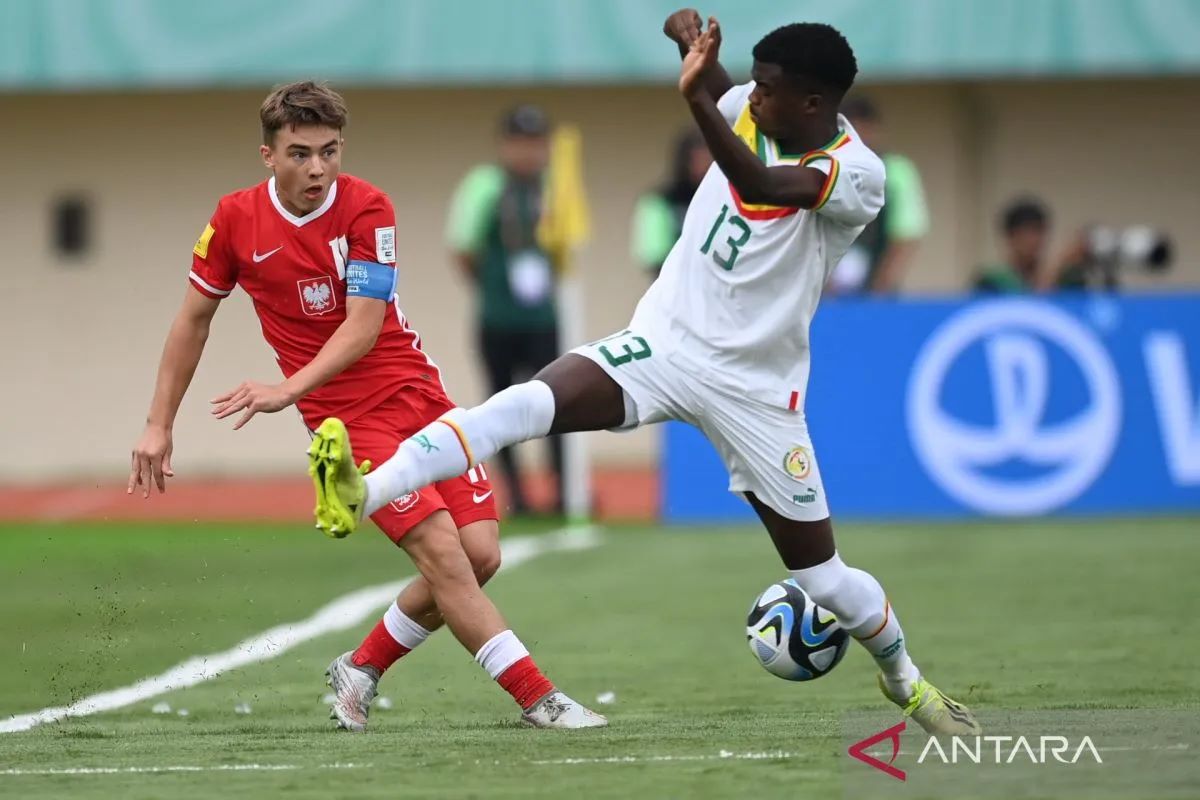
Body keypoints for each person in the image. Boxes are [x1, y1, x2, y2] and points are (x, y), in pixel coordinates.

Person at [308, 12, 980, 736]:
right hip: (665, 344)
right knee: (524, 404)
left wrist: (694, 96)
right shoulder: (752, 108)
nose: (752, 96)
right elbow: (725, 96)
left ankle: (905, 681)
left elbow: (756, 183)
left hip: (757, 393)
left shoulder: (858, 173)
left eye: (770, 89)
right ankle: (361, 488)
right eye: (751, 82)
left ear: (814, 104)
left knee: (824, 580)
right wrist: (691, 52)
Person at [127, 81, 603, 731]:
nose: (317, 168)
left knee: (482, 555)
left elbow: (364, 324)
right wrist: (159, 424)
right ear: (268, 155)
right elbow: (192, 320)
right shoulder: (234, 221)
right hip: (347, 426)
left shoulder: (366, 207)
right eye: (299, 153)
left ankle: (362, 665)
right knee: (443, 557)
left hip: (419, 397)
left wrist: (285, 386)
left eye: (329, 151)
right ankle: (539, 699)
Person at [446, 106, 565, 515]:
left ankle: (563, 491)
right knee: (500, 405)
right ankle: (516, 496)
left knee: (558, 403)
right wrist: (493, 287)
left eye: (536, 143)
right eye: (520, 143)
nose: (529, 153)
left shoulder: (554, 187)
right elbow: (463, 247)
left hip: (544, 319)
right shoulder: (485, 186)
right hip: (498, 319)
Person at [829, 95, 929, 294]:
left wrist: (880, 287)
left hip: (875, 288)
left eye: (860, 129)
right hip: (825, 289)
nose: (855, 138)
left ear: (872, 128)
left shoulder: (896, 171)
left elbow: (906, 234)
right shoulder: (825, 168)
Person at [631, 129, 713, 277]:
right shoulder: (659, 201)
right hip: (675, 286)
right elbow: (653, 256)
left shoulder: (720, 199)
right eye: (699, 158)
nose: (705, 165)